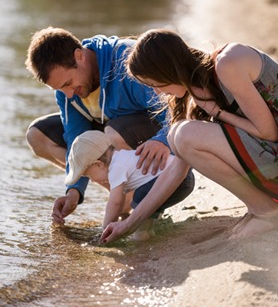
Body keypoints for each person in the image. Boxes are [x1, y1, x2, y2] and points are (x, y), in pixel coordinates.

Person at [100, 28, 278, 243]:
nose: (158, 92)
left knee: (183, 133)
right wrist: (129, 224)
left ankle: (266, 211)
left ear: (168, 69)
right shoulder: (195, 93)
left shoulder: (228, 62)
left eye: (156, 84)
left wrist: (217, 112)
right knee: (178, 135)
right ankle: (261, 208)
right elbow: (177, 168)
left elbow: (268, 131)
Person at [25, 27, 171, 226]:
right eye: (60, 89)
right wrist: (74, 191)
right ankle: (121, 194)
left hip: (154, 139)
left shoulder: (127, 60)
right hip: (115, 136)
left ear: (79, 56)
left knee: (113, 132)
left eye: (68, 83)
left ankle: (143, 193)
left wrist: (162, 141)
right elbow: (77, 139)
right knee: (37, 136)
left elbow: (173, 112)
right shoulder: (67, 93)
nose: (69, 94)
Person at [65, 130, 194, 241]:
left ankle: (141, 237)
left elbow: (114, 202)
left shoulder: (115, 168)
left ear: (99, 164)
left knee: (140, 195)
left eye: (88, 175)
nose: (92, 180)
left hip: (173, 179)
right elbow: (120, 201)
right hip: (184, 176)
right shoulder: (123, 157)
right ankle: (150, 232)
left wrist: (105, 230)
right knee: (143, 199)